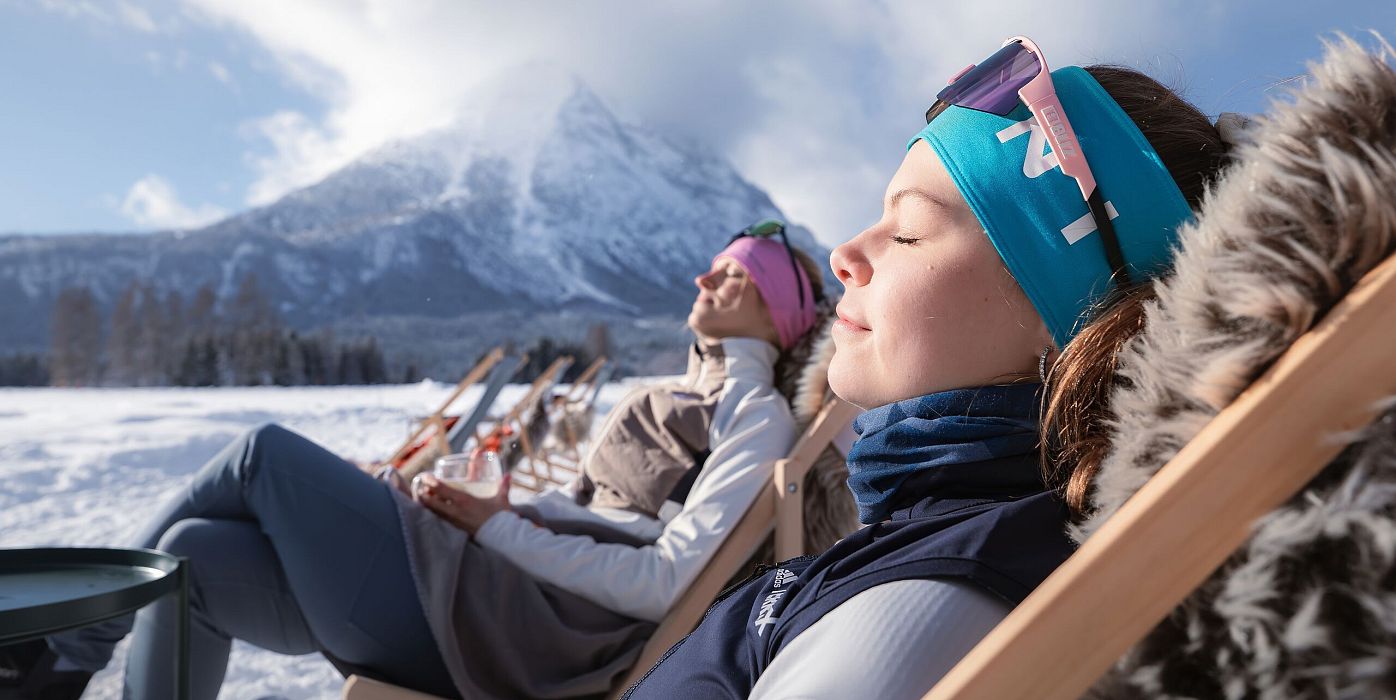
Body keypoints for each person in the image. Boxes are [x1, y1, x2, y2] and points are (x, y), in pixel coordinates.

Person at [621, 36, 1231, 699]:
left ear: (1072, 321)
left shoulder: (925, 610)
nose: (845, 253)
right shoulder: (943, 535)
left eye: (908, 232)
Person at [0, 224, 826, 700]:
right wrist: (491, 507)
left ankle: (60, 650)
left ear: (776, 312)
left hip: (512, 636)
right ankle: (58, 658)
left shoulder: (750, 417)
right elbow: (603, 522)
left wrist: (499, 525)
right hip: (487, 600)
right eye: (714, 263)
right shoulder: (676, 402)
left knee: (262, 456)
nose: (705, 275)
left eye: (734, 273)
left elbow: (660, 582)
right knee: (193, 550)